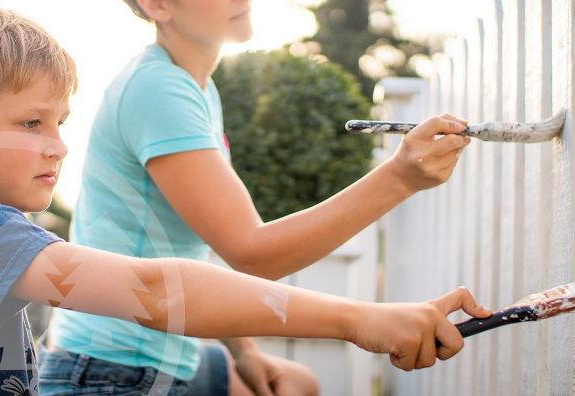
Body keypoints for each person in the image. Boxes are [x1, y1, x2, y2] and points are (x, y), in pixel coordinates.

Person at [0, 5, 489, 395]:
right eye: (32, 124)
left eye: (61, 124)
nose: (60, 148)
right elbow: (155, 291)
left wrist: (245, 350)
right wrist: (357, 319)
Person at [41, 0, 476, 395]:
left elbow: (193, 252)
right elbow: (252, 255)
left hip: (140, 355)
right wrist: (400, 176)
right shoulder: (158, 89)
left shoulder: (191, 86)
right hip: (108, 372)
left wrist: (245, 353)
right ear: (157, 5)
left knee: (297, 383)